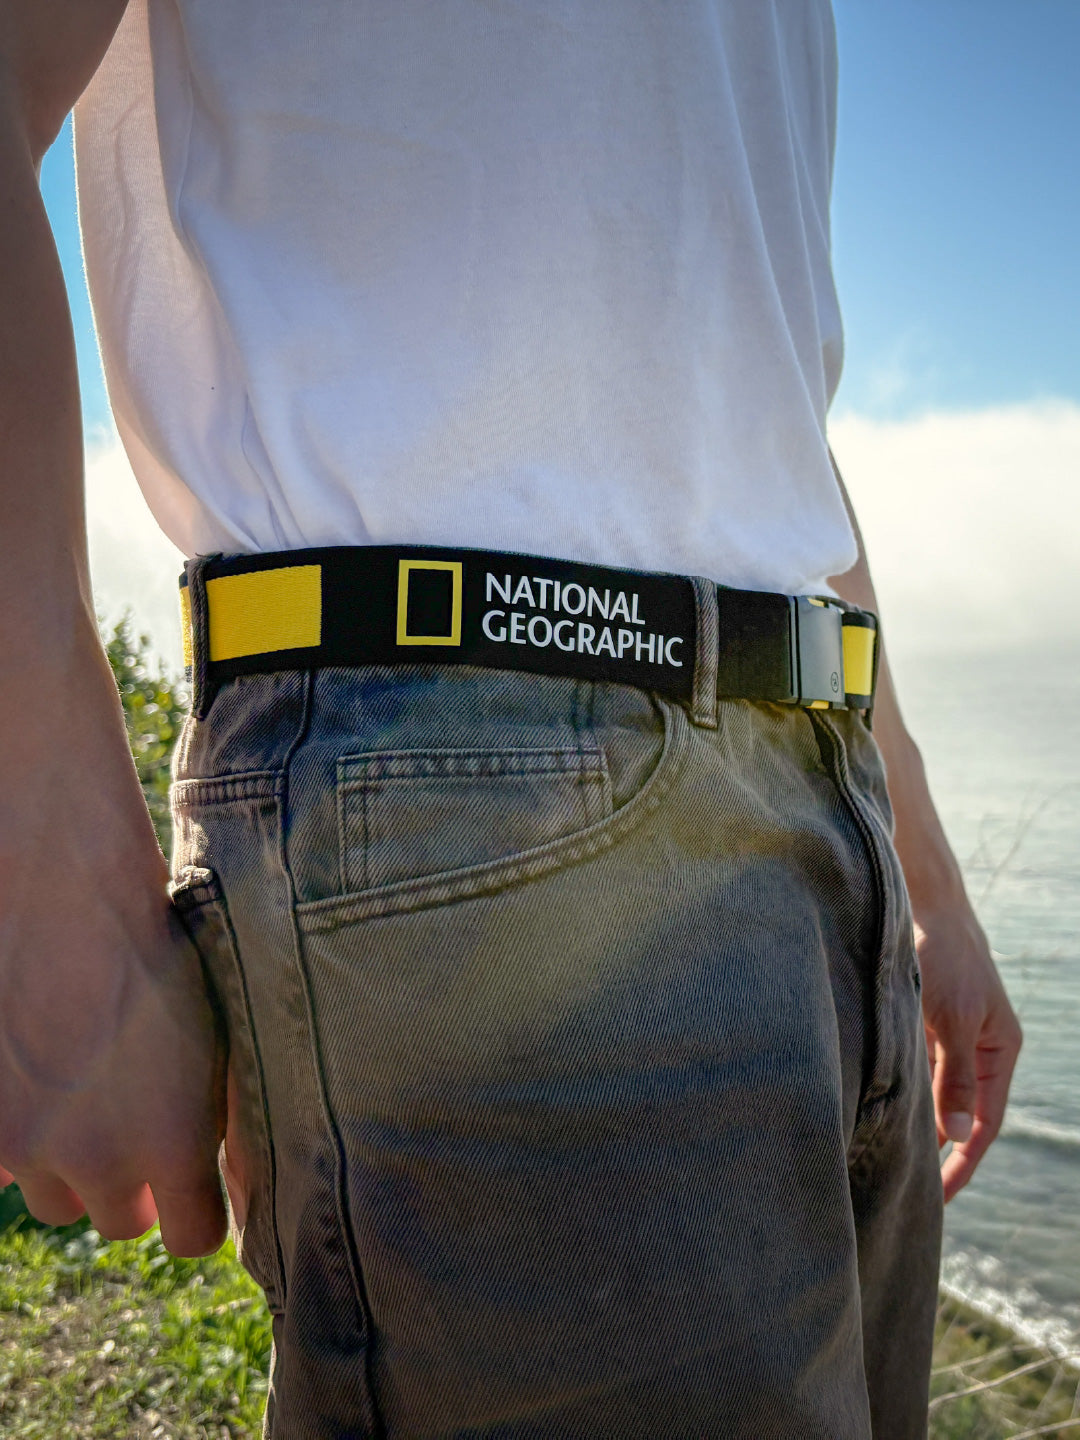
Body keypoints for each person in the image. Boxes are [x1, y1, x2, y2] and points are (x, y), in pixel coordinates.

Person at [0, 2, 1021, 1436]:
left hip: (819, 796)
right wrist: (49, 894)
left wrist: (924, 870)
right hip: (468, 793)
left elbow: (750, 401)